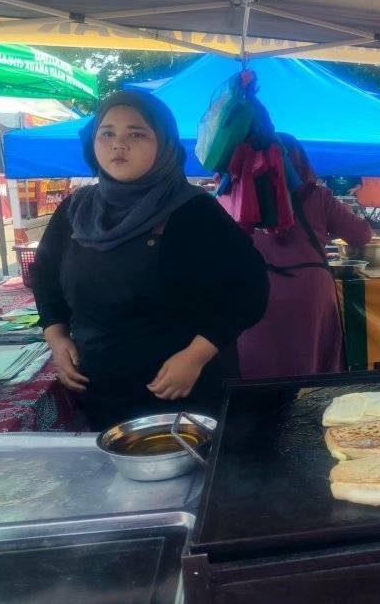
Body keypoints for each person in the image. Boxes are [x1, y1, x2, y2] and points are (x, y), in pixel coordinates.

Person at [31, 91, 269, 430]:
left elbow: (250, 289)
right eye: (107, 133)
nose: (118, 144)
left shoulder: (193, 211)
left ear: (164, 144)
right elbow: (45, 278)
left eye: (137, 133)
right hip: (102, 388)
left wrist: (196, 356)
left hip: (184, 391)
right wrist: (56, 338)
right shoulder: (74, 210)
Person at [238, 134, 372, 378]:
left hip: (255, 289)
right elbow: (361, 236)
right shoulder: (318, 196)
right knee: (312, 371)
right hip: (309, 290)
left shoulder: (240, 197)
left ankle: (263, 415)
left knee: (258, 369)